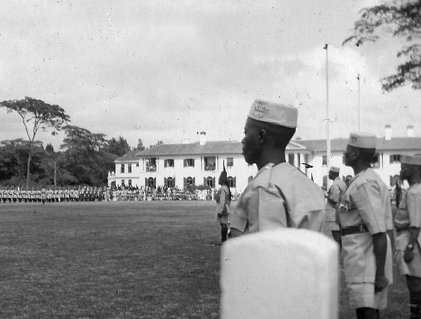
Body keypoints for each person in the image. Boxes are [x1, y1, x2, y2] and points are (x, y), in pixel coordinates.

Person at [229, 99, 325, 236]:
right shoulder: (309, 185)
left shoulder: (264, 187)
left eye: (246, 133)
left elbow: (267, 252)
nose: (243, 140)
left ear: (261, 136)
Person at [339, 132, 393, 319]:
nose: (344, 154)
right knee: (364, 309)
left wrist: (379, 274)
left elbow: (378, 230)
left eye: (348, 150)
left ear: (356, 154)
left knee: (367, 310)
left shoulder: (364, 183)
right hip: (361, 253)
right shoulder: (362, 179)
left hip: (367, 255)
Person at [394, 155, 421, 319]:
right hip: (407, 238)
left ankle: (416, 316)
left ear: (415, 170)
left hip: (410, 241)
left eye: (405, 168)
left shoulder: (415, 192)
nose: (401, 170)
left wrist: (410, 247)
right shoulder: (413, 190)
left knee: (415, 282)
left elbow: (416, 223)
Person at [325, 166, 347, 248]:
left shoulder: (335, 184)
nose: (328, 175)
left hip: (335, 214)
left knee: (336, 237)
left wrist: (326, 196)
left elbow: (334, 199)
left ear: (333, 174)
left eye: (330, 173)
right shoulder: (342, 183)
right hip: (341, 212)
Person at [215, 164, 231, 244]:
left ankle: (223, 240)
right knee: (224, 224)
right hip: (226, 207)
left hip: (223, 208)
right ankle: (224, 239)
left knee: (223, 224)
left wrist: (220, 211)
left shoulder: (222, 189)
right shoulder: (226, 188)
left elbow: (222, 200)